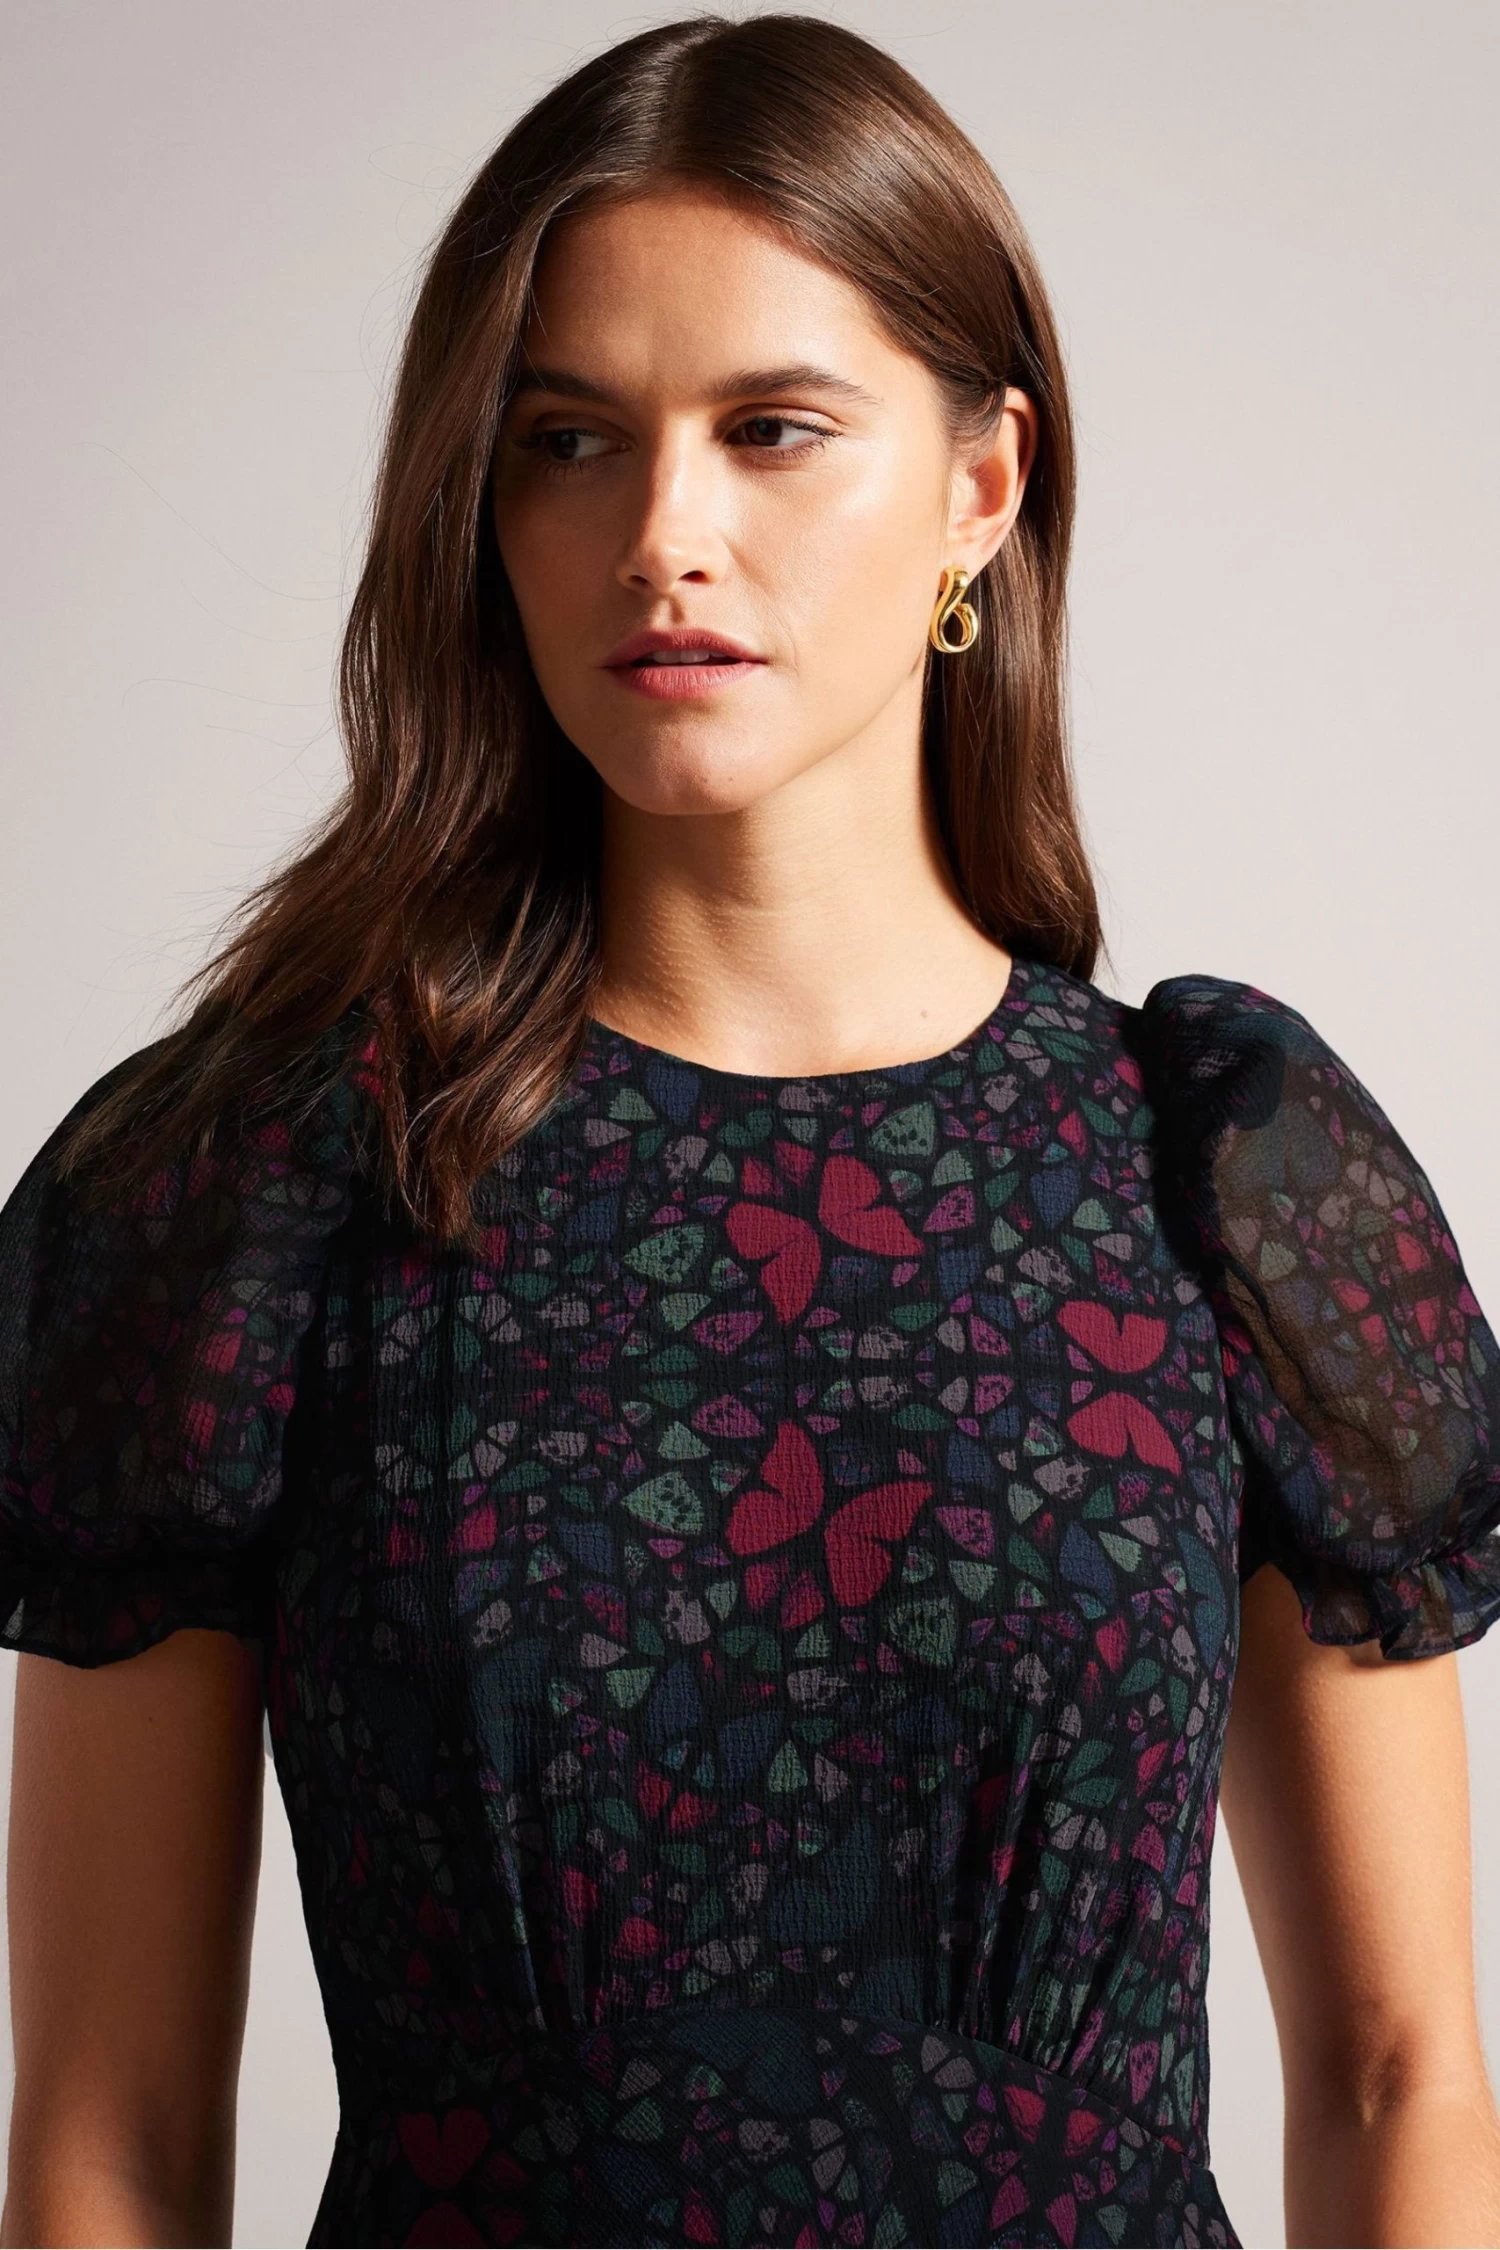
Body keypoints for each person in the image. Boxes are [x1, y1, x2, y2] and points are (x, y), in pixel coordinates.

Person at [2, 13, 1498, 2247]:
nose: (663, 535)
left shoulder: (1218, 1177)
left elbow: (1398, 2079)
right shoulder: (262, 1192)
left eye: (771, 430)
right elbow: (107, 2122)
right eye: (569, 442)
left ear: (983, 486)